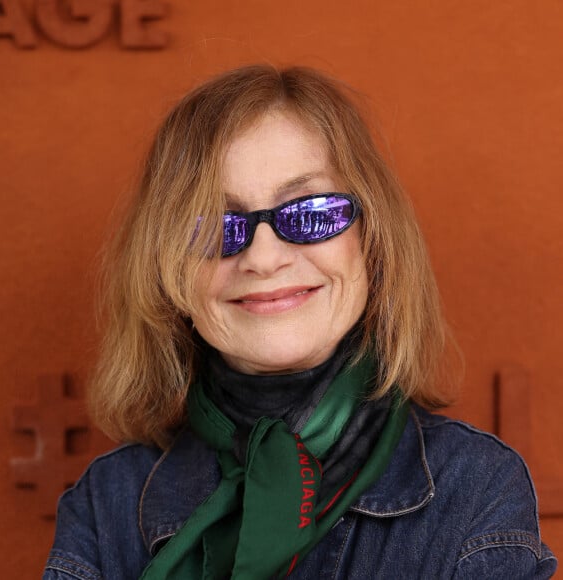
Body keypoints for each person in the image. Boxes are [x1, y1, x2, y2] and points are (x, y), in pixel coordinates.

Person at [43, 65, 557, 579]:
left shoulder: (474, 489)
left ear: (373, 241)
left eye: (309, 213)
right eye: (213, 227)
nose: (263, 259)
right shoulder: (104, 505)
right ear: (167, 268)